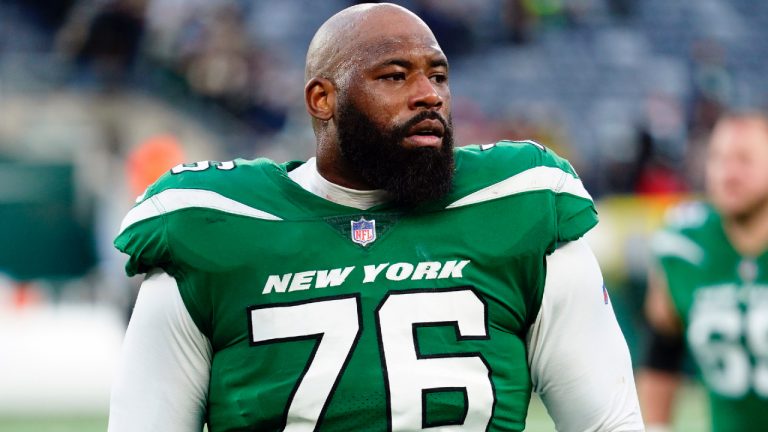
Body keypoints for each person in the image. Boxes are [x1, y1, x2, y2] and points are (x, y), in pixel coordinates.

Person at [108, 3, 643, 431]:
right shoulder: (216, 223)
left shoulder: (519, 201)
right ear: (323, 99)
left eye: (438, 74)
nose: (429, 95)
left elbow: (607, 422)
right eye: (395, 76)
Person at [638, 112, 768, 432]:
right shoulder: (683, 244)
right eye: (718, 159)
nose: (728, 174)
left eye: (745, 160)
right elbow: (662, 354)